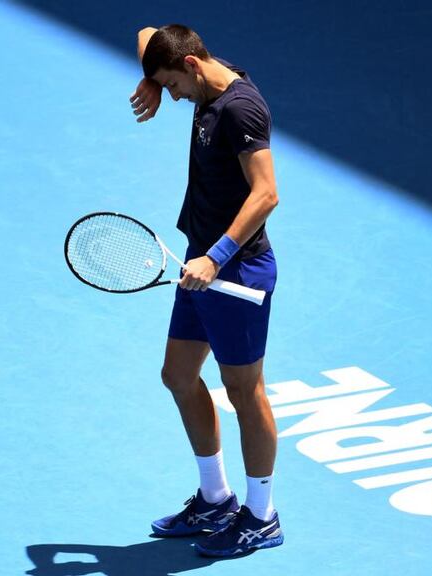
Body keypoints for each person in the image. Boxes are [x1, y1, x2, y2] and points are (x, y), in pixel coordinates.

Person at [129, 24, 282, 557]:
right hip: (199, 264)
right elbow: (148, 31)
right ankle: (216, 498)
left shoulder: (240, 110)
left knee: (244, 392)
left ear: (193, 67)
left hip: (234, 272)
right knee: (178, 375)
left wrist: (216, 259)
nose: (171, 97)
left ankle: (261, 515)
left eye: (172, 85)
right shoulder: (202, 78)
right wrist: (149, 77)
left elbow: (267, 194)